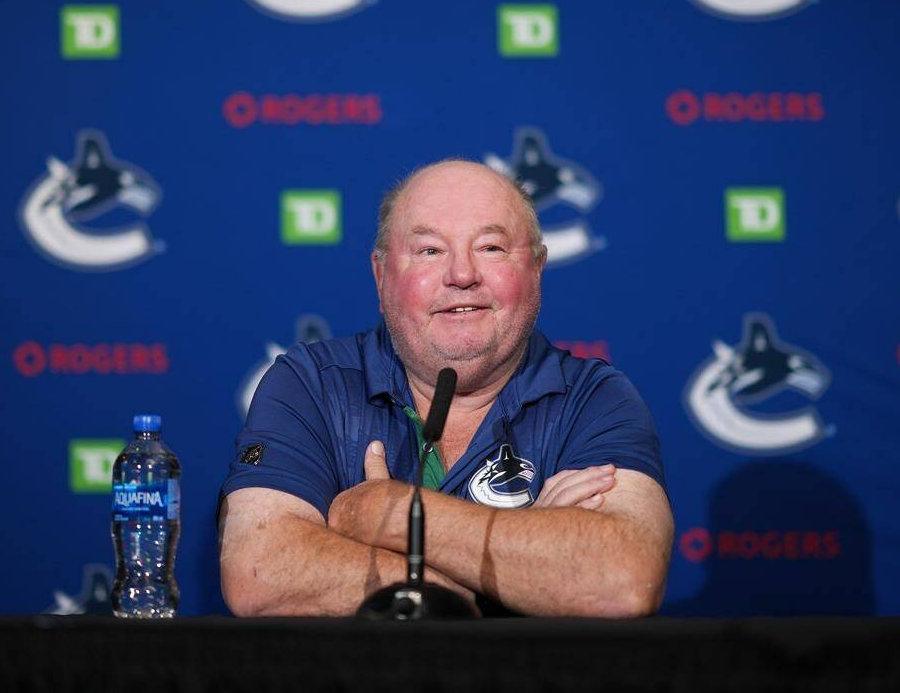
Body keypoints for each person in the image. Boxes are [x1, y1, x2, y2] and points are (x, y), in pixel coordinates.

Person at [218, 160, 673, 616]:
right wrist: (518, 561)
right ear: (381, 277)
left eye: (491, 247)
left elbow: (622, 581)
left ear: (536, 269)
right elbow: (260, 573)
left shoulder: (594, 398)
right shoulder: (310, 384)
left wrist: (387, 514)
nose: (461, 275)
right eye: (430, 251)